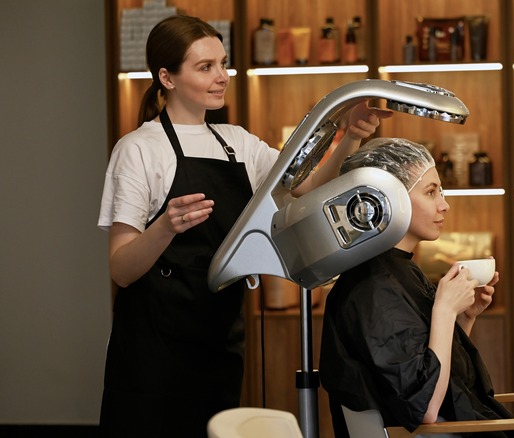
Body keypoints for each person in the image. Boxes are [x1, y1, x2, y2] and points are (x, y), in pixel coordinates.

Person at [97, 15, 391, 437]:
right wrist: (165, 227)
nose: (222, 76)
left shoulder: (238, 143)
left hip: (219, 336)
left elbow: (307, 190)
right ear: (167, 77)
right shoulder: (138, 149)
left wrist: (351, 137)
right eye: (205, 67)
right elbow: (121, 269)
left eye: (223, 63)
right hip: (154, 346)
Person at [320, 138, 514, 437]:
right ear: (388, 200)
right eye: (431, 192)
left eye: (441, 191)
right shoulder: (374, 287)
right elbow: (425, 406)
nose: (444, 204)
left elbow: (432, 370)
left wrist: (463, 317)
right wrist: (444, 310)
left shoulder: (397, 269)